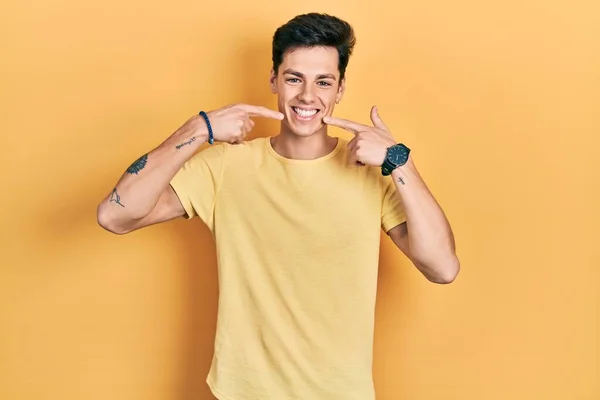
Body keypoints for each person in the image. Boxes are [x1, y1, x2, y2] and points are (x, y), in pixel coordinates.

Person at [97, 12, 459, 400]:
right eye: (293, 78)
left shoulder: (373, 173)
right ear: (274, 80)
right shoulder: (226, 167)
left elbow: (442, 267)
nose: (307, 96)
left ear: (339, 89)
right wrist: (198, 129)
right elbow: (115, 215)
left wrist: (399, 160)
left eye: (323, 81)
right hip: (243, 392)